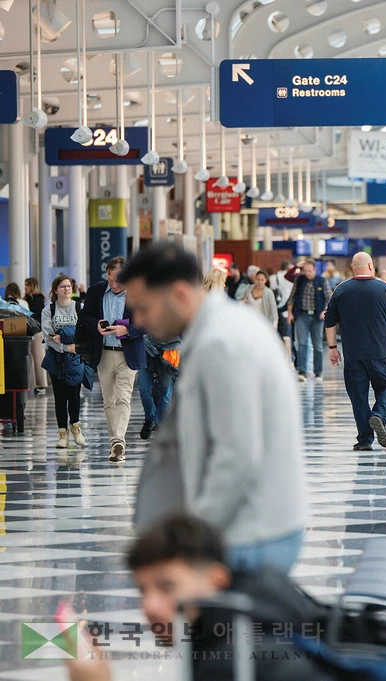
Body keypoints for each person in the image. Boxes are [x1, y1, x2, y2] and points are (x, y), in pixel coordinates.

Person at [121, 242, 307, 571]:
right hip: (246, 529)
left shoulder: (222, 343)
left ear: (179, 294)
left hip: (249, 537)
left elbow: (237, 454)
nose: (138, 318)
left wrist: (194, 536)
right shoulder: (218, 331)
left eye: (143, 307)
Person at [63, 514, 336, 681]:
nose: (150, 606)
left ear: (216, 580)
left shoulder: (232, 663)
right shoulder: (256, 603)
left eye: (167, 587)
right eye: (143, 591)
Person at [325, 252, 386, 451]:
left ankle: (364, 440)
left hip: (353, 355)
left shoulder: (341, 290)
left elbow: (329, 321)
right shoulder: (385, 288)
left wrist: (333, 348)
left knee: (358, 396)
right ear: (371, 266)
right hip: (381, 352)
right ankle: (379, 415)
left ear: (353, 267)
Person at [79, 256, 146, 463]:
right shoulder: (96, 292)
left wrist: (128, 329)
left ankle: (118, 441)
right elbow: (84, 318)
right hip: (105, 352)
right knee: (109, 401)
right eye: (110, 280)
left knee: (123, 398)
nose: (114, 285)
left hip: (128, 354)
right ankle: (115, 441)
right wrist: (96, 325)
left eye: (118, 280)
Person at [41, 274, 87, 449]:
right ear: (55, 290)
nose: (67, 289)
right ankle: (62, 434)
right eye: (62, 286)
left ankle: (76, 428)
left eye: (68, 286)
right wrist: (65, 347)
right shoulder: (49, 310)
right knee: (60, 397)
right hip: (57, 358)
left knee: (74, 395)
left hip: (75, 358)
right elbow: (49, 336)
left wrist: (67, 339)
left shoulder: (78, 307)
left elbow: (82, 332)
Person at [287, 260, 329, 383]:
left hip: (317, 317)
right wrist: (290, 313)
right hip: (302, 315)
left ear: (315, 270)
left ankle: (318, 373)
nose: (307, 273)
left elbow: (329, 298)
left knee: (318, 346)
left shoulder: (322, 281)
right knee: (302, 343)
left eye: (309, 271)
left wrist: (324, 311)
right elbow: (292, 297)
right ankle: (302, 371)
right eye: (305, 271)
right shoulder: (299, 280)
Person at [137, 333, 179, 440]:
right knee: (143, 387)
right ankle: (149, 418)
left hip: (169, 350)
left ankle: (161, 425)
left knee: (165, 391)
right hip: (147, 347)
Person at [24, 277, 48, 394]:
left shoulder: (37, 299)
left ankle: (41, 384)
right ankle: (34, 384)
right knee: (33, 357)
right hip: (32, 329)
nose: (25, 288)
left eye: (27, 285)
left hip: (37, 330)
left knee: (39, 357)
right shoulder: (27, 299)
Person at [270, 259, 297, 352]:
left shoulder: (274, 277)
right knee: (289, 336)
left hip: (277, 308)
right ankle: (291, 357)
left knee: (279, 335)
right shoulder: (290, 278)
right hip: (289, 309)